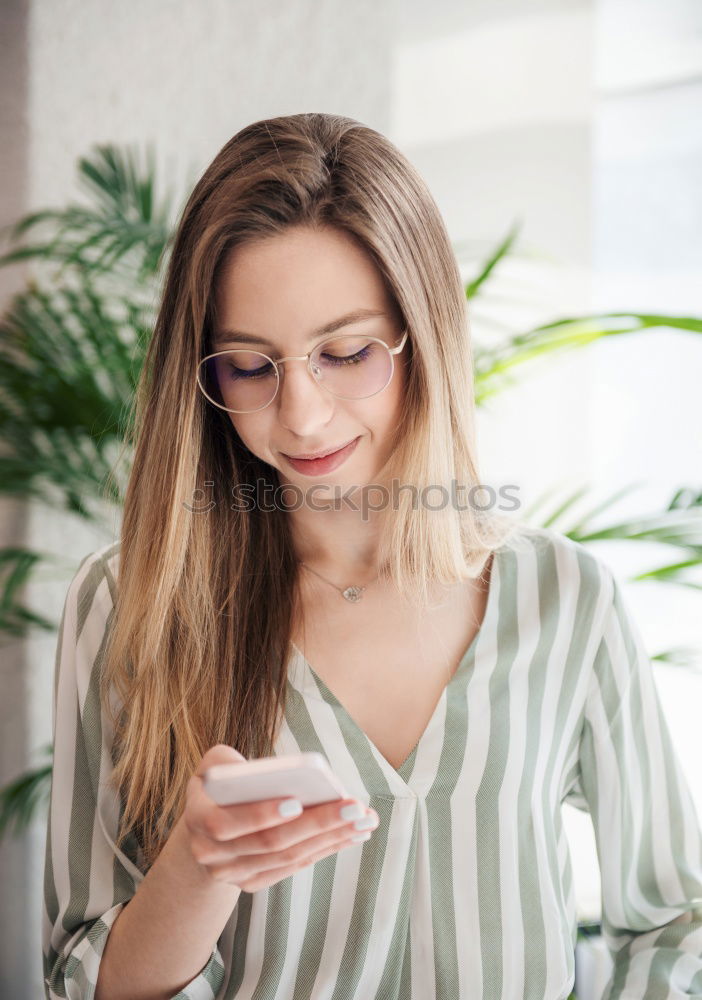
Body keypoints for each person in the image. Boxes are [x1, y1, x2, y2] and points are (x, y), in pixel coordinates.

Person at [42, 112, 702, 1000]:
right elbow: (80, 978)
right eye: (248, 365)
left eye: (346, 352)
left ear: (422, 336)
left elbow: (670, 924)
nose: (303, 415)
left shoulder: (564, 598)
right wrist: (197, 874)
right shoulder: (130, 604)